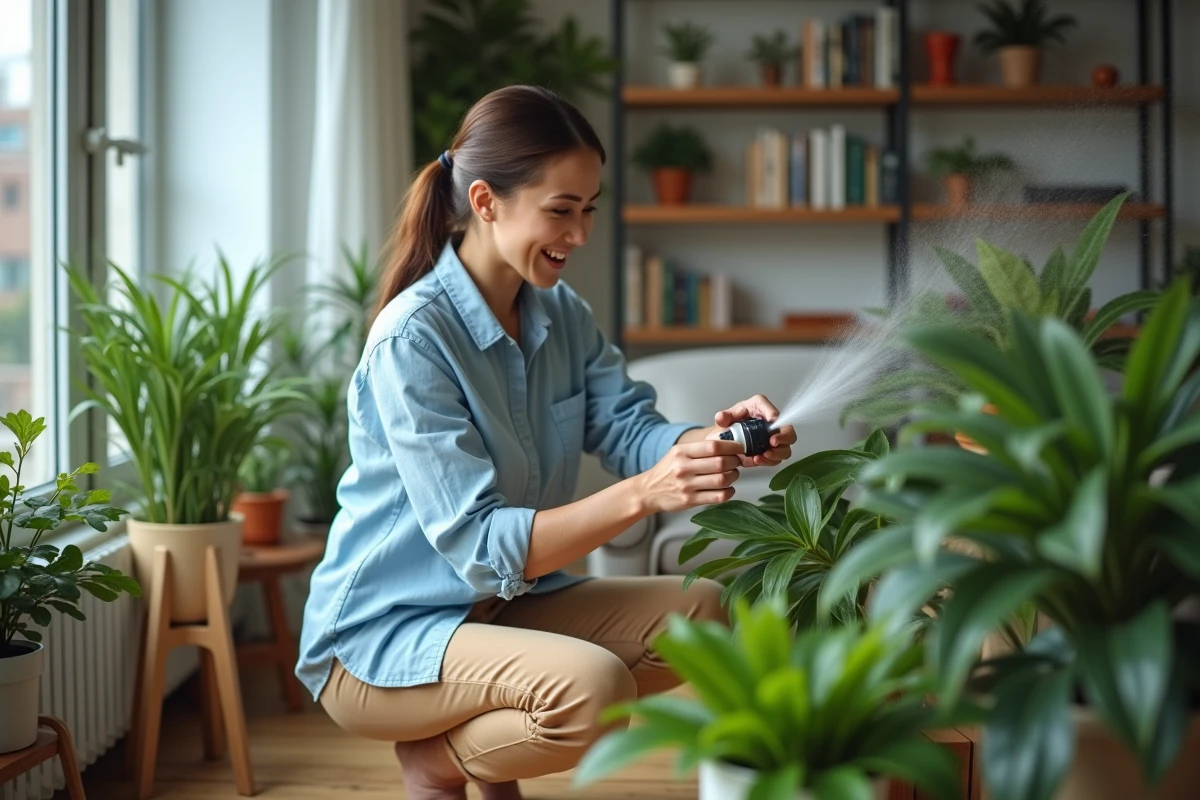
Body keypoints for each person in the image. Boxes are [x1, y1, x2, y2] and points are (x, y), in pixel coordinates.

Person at [295, 85, 798, 800]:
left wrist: (710, 440)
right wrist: (645, 494)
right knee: (590, 690)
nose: (581, 235)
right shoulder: (414, 340)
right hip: (385, 634)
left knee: (701, 612)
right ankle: (436, 764)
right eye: (561, 211)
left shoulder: (561, 313)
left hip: (503, 607)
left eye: (589, 209)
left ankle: (469, 756)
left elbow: (626, 427)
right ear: (486, 201)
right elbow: (477, 544)